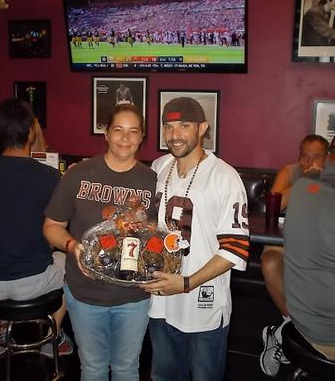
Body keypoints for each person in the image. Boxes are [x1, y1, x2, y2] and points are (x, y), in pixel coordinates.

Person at [43, 104, 156, 381]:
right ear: (106, 133)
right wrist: (72, 245)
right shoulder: (78, 175)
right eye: (118, 130)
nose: (125, 138)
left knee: (127, 369)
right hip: (85, 294)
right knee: (92, 368)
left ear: (142, 137)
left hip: (134, 296)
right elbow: (51, 226)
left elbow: (160, 239)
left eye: (133, 132)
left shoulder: (154, 181)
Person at [141, 97, 249, 381]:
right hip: (161, 300)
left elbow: (235, 249)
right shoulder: (158, 167)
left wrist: (187, 283)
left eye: (184, 125)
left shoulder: (225, 177)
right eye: (168, 126)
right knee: (163, 376)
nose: (174, 135)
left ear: (202, 128)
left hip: (202, 304)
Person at [0, 98, 72, 357]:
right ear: (31, 131)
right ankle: (51, 338)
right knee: (70, 266)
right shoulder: (49, 177)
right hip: (33, 282)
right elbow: (56, 235)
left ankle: (3, 333)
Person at [260, 134, 329, 377]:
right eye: (305, 156)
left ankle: (286, 335)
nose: (310, 161)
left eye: (316, 157)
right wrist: (308, 178)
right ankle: (291, 324)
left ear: (327, 157)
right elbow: (274, 205)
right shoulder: (290, 172)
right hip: (285, 242)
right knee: (269, 262)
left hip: (320, 249)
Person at [284, 159, 335, 361]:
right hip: (326, 335)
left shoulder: (304, 186)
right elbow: (274, 201)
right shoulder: (304, 184)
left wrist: (310, 176)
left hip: (304, 320)